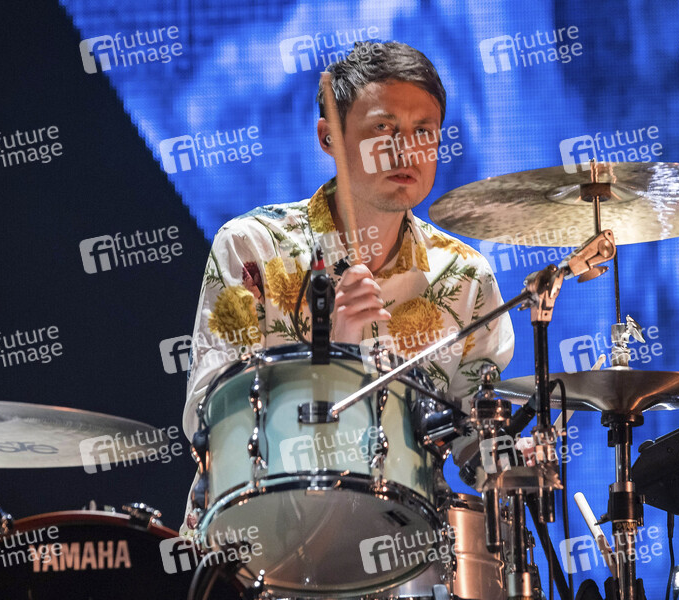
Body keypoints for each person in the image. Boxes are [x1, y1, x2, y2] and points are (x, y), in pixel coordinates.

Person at [181, 40, 514, 532]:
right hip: (261, 533)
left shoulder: (465, 277)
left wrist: (505, 454)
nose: (405, 150)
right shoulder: (253, 247)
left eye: (423, 131)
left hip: (397, 544)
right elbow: (209, 418)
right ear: (328, 137)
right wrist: (335, 354)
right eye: (383, 129)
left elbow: (469, 434)